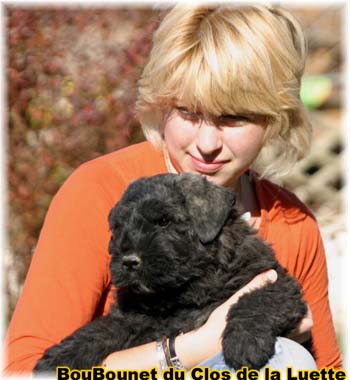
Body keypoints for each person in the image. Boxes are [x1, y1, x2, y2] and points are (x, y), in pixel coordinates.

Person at [4, 4, 342, 375]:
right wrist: (189, 349)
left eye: (234, 117)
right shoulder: (97, 190)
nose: (207, 142)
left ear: (274, 118)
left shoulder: (292, 224)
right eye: (189, 112)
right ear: (161, 103)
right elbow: (28, 370)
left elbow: (327, 368)